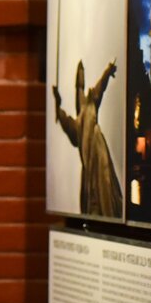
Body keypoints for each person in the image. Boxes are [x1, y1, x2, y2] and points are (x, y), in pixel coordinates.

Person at [52, 59, 124, 217]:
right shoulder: (76, 126)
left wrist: (108, 70)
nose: (80, 88)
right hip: (88, 165)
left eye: (82, 79)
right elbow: (62, 117)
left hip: (98, 154)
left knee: (104, 187)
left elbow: (101, 86)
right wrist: (57, 102)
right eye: (79, 81)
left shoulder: (91, 101)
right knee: (92, 195)